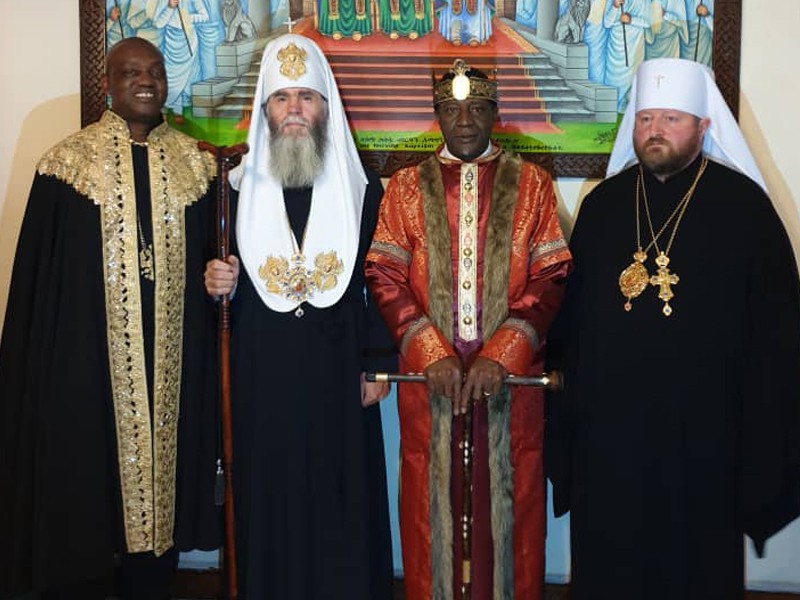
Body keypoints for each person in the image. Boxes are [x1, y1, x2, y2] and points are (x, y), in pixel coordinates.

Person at [546, 57, 800, 599]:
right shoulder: (604, 205)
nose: (655, 130)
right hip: (612, 437)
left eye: (671, 119)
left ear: (704, 126)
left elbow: (778, 332)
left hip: (705, 436)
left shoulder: (745, 208)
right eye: (645, 118)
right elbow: (571, 320)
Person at [0, 37, 220, 600]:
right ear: (107, 84)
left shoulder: (198, 168)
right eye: (131, 72)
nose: (145, 81)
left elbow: (215, 266)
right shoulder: (67, 166)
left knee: (161, 535)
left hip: (172, 366)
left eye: (155, 71)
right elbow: (37, 288)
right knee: (88, 497)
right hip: (88, 366)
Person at [365, 60, 572, 600]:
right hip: (429, 382)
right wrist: (428, 351)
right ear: (436, 114)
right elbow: (383, 274)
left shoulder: (532, 185)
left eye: (477, 108)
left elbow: (552, 275)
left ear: (494, 113)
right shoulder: (405, 187)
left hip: (510, 383)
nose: (464, 121)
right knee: (428, 502)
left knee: (512, 500)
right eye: (452, 110)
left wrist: (502, 353)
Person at [203, 33, 396, 600]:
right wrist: (215, 281)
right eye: (282, 98)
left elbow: (381, 279)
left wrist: (377, 362)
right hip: (261, 371)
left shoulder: (363, 191)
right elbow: (211, 279)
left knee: (340, 496)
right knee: (268, 495)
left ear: (326, 108)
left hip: (339, 370)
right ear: (264, 109)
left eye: (306, 98)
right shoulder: (229, 192)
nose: (294, 110)